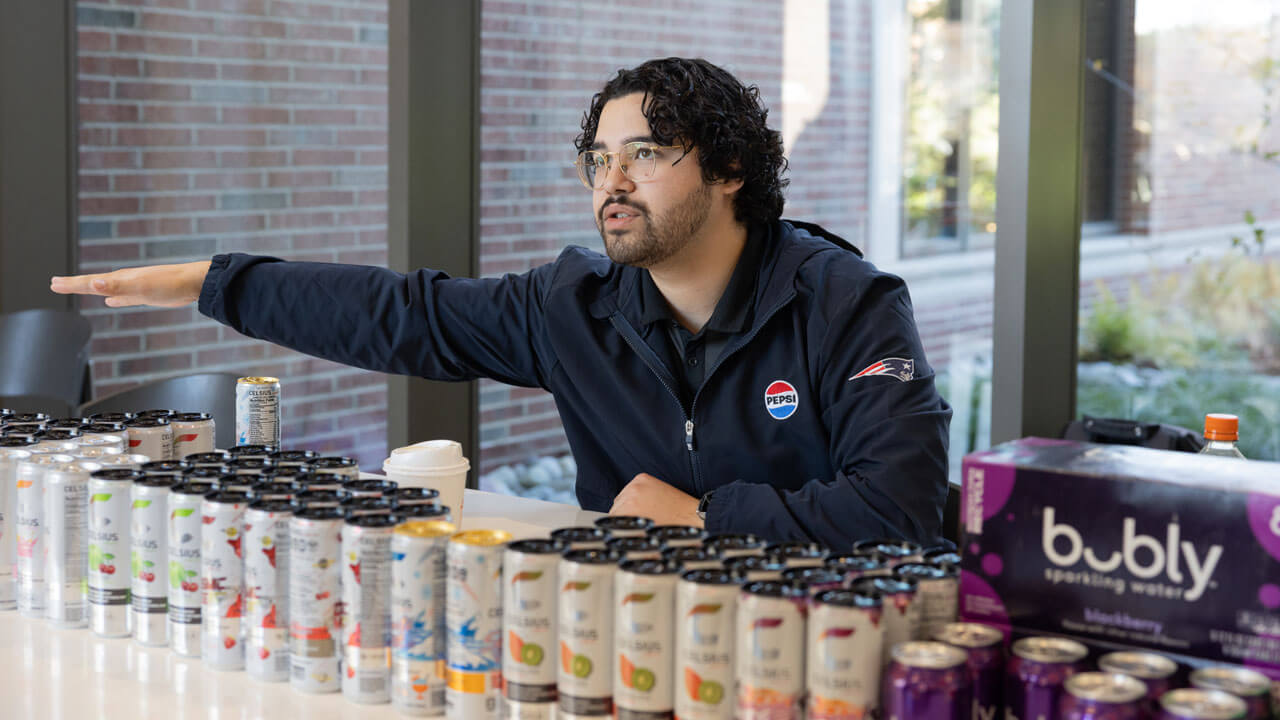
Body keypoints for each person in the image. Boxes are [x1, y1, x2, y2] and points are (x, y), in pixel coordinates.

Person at [52, 57, 951, 549]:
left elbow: (900, 509)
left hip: (819, 635)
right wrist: (212, 282)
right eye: (599, 160)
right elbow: (401, 315)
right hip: (635, 617)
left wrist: (706, 515)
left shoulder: (845, 303)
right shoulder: (576, 307)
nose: (612, 182)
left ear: (728, 169)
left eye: (645, 153)